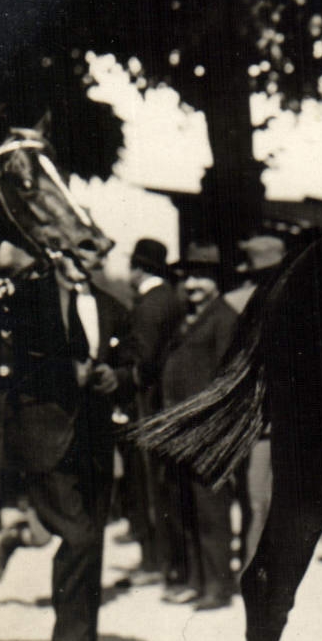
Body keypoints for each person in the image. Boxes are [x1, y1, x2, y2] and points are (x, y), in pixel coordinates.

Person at [0, 239, 132, 641]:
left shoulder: (111, 305)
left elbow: (137, 361)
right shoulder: (30, 299)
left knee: (91, 540)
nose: (91, 255)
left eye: (97, 249)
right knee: (80, 535)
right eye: (81, 247)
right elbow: (15, 359)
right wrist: (61, 372)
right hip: (46, 436)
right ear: (59, 250)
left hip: (93, 440)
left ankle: (83, 640)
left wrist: (119, 377)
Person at [160, 245, 239, 609]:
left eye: (201, 278)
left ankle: (218, 587)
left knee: (211, 512)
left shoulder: (224, 319)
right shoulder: (189, 317)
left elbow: (228, 380)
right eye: (188, 277)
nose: (192, 285)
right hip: (183, 432)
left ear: (216, 281)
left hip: (206, 432)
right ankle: (196, 579)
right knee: (188, 509)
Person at [123, 238, 183, 583]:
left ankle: (154, 562)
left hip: (146, 403)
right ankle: (165, 559)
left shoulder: (148, 305)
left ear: (138, 267)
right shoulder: (171, 300)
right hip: (167, 399)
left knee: (146, 484)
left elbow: (142, 361)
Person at [225, 233, 286, 568]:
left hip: (264, 420)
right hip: (268, 421)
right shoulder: (250, 305)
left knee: (257, 499)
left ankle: (255, 564)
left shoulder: (236, 303)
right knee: (262, 499)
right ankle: (256, 566)